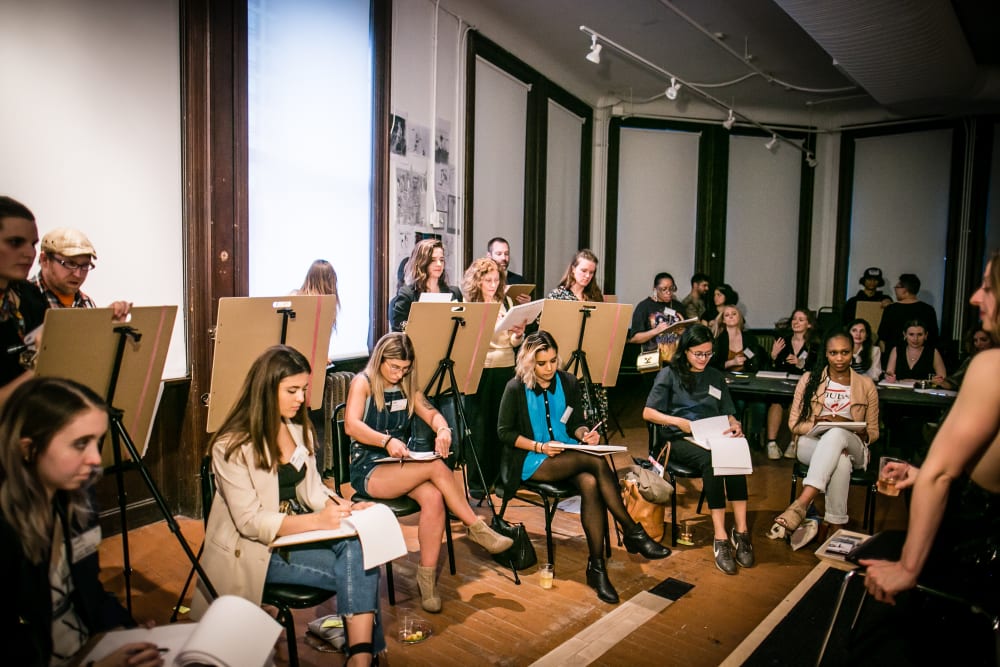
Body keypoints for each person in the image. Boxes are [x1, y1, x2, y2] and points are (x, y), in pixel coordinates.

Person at [191, 346, 383, 665]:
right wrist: (319, 522)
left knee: (361, 548)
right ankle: (362, 656)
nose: (300, 398)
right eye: (292, 390)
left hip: (294, 537)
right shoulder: (231, 445)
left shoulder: (297, 428)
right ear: (266, 390)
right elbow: (249, 523)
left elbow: (312, 491)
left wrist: (344, 507)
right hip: (255, 551)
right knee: (361, 570)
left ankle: (359, 658)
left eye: (304, 389)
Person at [856, 252, 1000, 666]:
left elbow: (942, 474)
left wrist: (907, 567)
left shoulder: (990, 366)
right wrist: (924, 472)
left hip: (974, 562)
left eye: (988, 287)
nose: (975, 297)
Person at [345, 333, 512, 613]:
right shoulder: (362, 383)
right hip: (369, 466)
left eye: (405, 369)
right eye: (394, 367)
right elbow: (351, 426)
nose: (399, 374)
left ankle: (427, 580)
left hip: (398, 463)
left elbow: (432, 414)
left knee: (434, 497)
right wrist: (385, 441)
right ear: (380, 359)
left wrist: (443, 429)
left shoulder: (407, 386)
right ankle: (476, 528)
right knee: (436, 466)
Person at [1, 377, 163, 667]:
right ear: (28, 449)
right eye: (80, 444)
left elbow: (90, 593)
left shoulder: (79, 499)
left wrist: (125, 631)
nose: (96, 459)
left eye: (97, 442)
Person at [498, 331, 670, 603]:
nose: (549, 368)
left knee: (590, 482)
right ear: (529, 363)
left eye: (553, 361)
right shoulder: (515, 388)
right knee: (595, 460)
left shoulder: (567, 381)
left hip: (568, 451)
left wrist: (584, 435)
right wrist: (540, 447)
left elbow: (576, 421)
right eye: (542, 363)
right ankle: (632, 530)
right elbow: (504, 433)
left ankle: (596, 566)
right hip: (532, 459)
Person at [642, 325, 754, 575]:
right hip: (678, 439)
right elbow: (648, 412)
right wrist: (677, 421)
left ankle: (742, 531)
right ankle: (720, 535)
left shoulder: (714, 376)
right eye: (698, 353)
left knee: (734, 453)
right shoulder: (670, 374)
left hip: (712, 434)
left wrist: (735, 426)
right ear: (686, 351)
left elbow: (729, 413)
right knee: (713, 460)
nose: (703, 359)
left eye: (708, 354)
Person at [767, 329, 879, 549]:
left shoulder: (866, 385)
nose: (839, 358)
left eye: (845, 352)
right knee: (841, 459)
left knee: (838, 434)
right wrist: (822, 422)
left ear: (853, 352)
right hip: (812, 444)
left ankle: (801, 504)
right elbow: (795, 425)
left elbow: (874, 432)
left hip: (855, 445)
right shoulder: (810, 379)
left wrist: (850, 428)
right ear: (826, 354)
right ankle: (835, 525)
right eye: (833, 353)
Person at [461, 257, 524, 498]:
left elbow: (512, 342)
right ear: (477, 281)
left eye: (496, 280)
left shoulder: (505, 301)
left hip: (505, 365)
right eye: (488, 280)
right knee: (479, 425)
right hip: (480, 366)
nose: (492, 284)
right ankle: (477, 482)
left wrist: (518, 334)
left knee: (502, 424)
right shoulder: (468, 302)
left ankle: (501, 478)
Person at [547, 249, 608, 427]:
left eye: (591, 272)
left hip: (590, 358)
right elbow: (548, 329)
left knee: (591, 409)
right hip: (566, 358)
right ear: (573, 269)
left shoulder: (595, 296)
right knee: (567, 406)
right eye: (583, 271)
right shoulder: (558, 295)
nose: (587, 276)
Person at [0, 196, 48, 404]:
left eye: (33, 244)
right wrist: (43, 365)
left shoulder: (30, 296)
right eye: (15, 242)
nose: (30, 253)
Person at [30, 228, 131, 320]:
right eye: (70, 264)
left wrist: (107, 324)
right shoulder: (21, 298)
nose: (78, 274)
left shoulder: (86, 303)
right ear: (44, 260)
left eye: (85, 265)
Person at [765, 307, 820, 460]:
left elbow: (817, 369)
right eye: (794, 319)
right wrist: (773, 355)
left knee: (796, 404)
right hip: (782, 383)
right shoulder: (782, 339)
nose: (796, 322)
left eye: (801, 320)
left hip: (803, 386)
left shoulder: (814, 344)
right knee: (776, 402)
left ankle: (793, 443)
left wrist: (801, 364)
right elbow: (771, 367)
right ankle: (772, 443)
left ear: (809, 325)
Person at [389, 239, 462, 332]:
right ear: (422, 262)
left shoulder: (454, 293)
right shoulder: (408, 294)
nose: (439, 264)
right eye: (433, 260)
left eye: (441, 260)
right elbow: (398, 330)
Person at [877, 273, 939, 352]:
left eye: (897, 287)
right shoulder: (928, 309)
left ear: (904, 290)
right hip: (921, 356)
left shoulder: (891, 309)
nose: (895, 289)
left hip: (895, 356)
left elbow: (882, 337)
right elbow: (933, 337)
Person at [627, 272, 684, 355]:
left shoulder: (678, 306)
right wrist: (656, 331)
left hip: (675, 358)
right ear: (655, 289)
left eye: (671, 288)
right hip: (652, 359)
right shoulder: (644, 306)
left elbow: (688, 334)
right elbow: (634, 339)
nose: (668, 292)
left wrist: (684, 332)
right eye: (664, 289)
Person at [884, 319, 946, 383]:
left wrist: (917, 381)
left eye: (920, 334)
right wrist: (888, 376)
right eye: (911, 334)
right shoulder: (896, 350)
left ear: (926, 335)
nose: (915, 339)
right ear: (905, 335)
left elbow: (943, 378)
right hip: (899, 390)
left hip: (924, 391)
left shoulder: (933, 352)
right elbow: (889, 373)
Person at [486, 237, 531, 304]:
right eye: (499, 254)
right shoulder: (481, 281)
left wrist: (527, 304)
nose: (504, 258)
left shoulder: (519, 281)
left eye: (506, 254)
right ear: (489, 256)